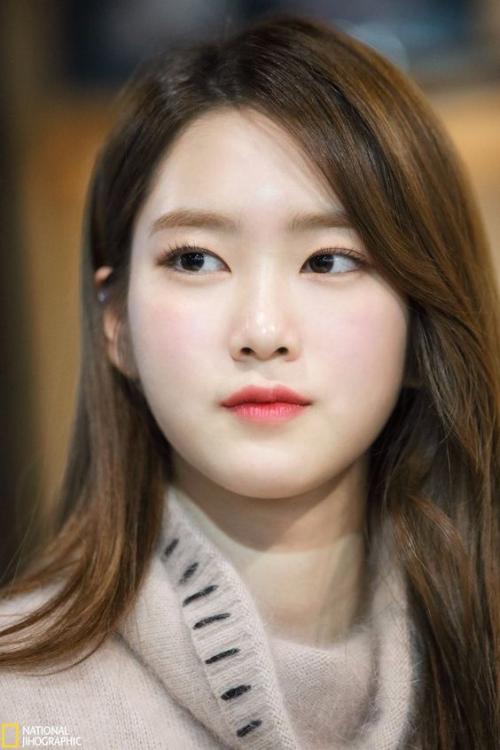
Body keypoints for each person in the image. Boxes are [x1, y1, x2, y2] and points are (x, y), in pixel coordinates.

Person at [0, 12, 499, 750]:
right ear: (116, 323)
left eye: (329, 261)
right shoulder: (19, 708)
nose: (263, 331)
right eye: (196, 259)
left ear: (422, 318)